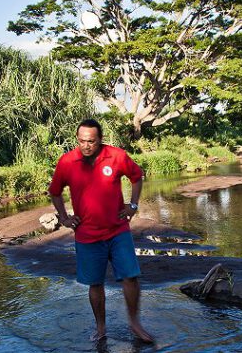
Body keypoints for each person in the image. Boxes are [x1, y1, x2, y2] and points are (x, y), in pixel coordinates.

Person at [49, 118, 153, 343]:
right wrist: (64, 217)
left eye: (91, 141)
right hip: (87, 235)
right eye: (82, 141)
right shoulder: (67, 161)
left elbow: (136, 176)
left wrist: (133, 205)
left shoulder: (116, 156)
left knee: (131, 277)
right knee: (95, 283)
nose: (86, 145)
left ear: (100, 139)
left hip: (118, 231)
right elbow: (55, 191)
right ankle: (101, 328)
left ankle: (135, 323)